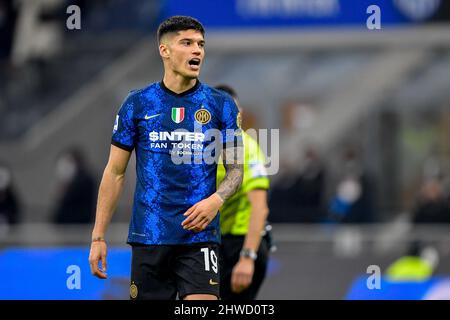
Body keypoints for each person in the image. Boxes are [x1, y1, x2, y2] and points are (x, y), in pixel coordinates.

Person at [88, 16, 243, 300]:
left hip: (199, 237)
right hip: (150, 237)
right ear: (165, 50)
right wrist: (98, 237)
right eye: (187, 43)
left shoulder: (221, 105)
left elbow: (236, 170)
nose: (197, 50)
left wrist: (216, 200)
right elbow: (115, 172)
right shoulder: (137, 104)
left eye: (201, 44)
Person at [215, 85, 271, 300]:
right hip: (216, 242)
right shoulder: (202, 148)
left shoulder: (247, 147)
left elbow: (260, 206)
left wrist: (247, 257)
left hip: (241, 242)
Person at [52, 147, 97, 224]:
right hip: (71, 224)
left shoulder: (83, 180)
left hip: (77, 224)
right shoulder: (78, 179)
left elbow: (69, 199)